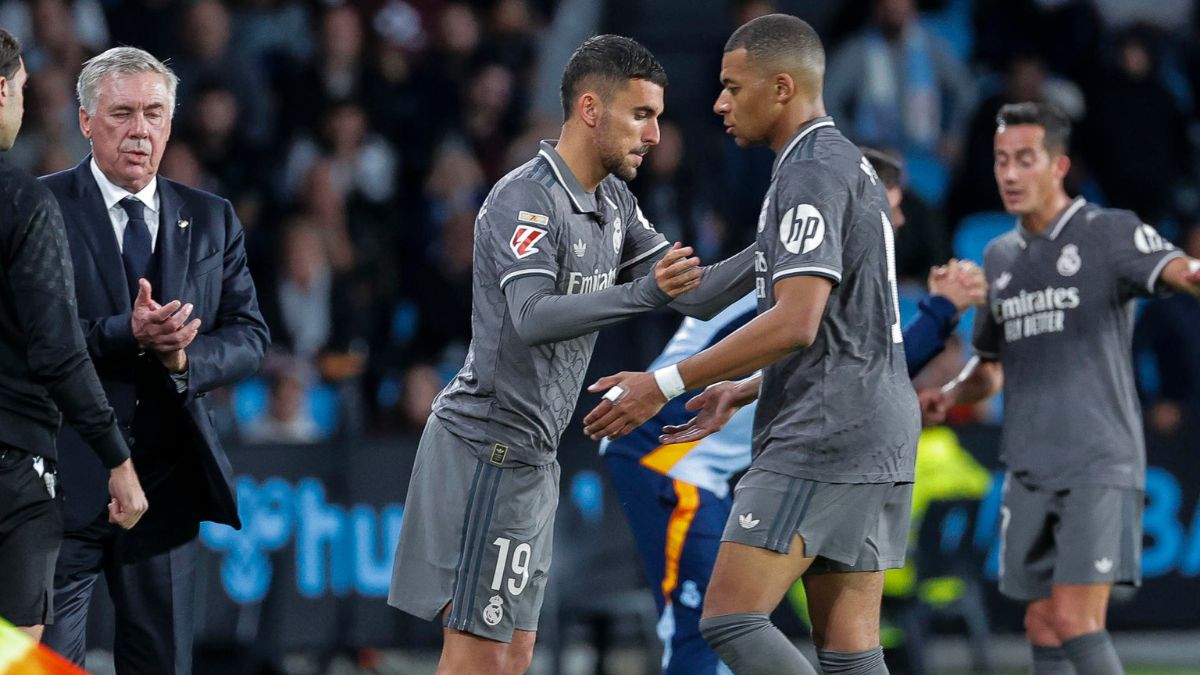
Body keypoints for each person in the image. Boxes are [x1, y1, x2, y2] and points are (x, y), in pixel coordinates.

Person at [387, 35, 756, 675]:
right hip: (486, 450)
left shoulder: (614, 203)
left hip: (533, 458)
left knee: (516, 655)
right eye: (641, 115)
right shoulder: (523, 198)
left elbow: (695, 299)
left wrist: (778, 247)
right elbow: (530, 318)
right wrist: (641, 291)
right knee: (478, 657)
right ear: (590, 109)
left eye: (659, 116)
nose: (656, 135)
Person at [584, 15, 919, 674]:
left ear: (783, 87)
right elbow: (710, 293)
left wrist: (667, 382)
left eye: (734, 87)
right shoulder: (835, 167)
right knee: (850, 651)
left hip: (824, 430)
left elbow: (796, 320)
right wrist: (739, 387)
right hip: (872, 425)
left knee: (729, 617)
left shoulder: (811, 172)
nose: (719, 103)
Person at [598, 147, 984, 674]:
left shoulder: (841, 271)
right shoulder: (807, 268)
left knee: (811, 638)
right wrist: (941, 311)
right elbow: (867, 364)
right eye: (889, 205)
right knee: (709, 630)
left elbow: (859, 371)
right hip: (668, 452)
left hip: (720, 463)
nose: (897, 220)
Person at [919, 101, 1200, 675]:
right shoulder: (997, 257)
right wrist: (950, 393)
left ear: (1058, 166)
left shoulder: (1109, 231)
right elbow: (991, 368)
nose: (1011, 174)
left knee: (1074, 619)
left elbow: (1182, 272)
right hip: (1028, 467)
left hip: (1096, 461)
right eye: (1001, 161)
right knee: (1042, 622)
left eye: (1025, 159)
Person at [39, 47, 270, 674]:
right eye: (121, 114)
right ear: (85, 121)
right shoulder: (40, 210)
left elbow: (250, 336)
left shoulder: (212, 217)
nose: (140, 130)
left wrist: (181, 360)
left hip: (165, 488)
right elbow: (30, 337)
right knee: (39, 666)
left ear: (171, 122)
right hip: (63, 483)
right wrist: (126, 333)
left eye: (154, 113)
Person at [0, 28, 147, 644]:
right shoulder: (23, 203)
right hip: (11, 463)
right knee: (16, 651)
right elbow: (58, 349)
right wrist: (118, 458)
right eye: (23, 92)